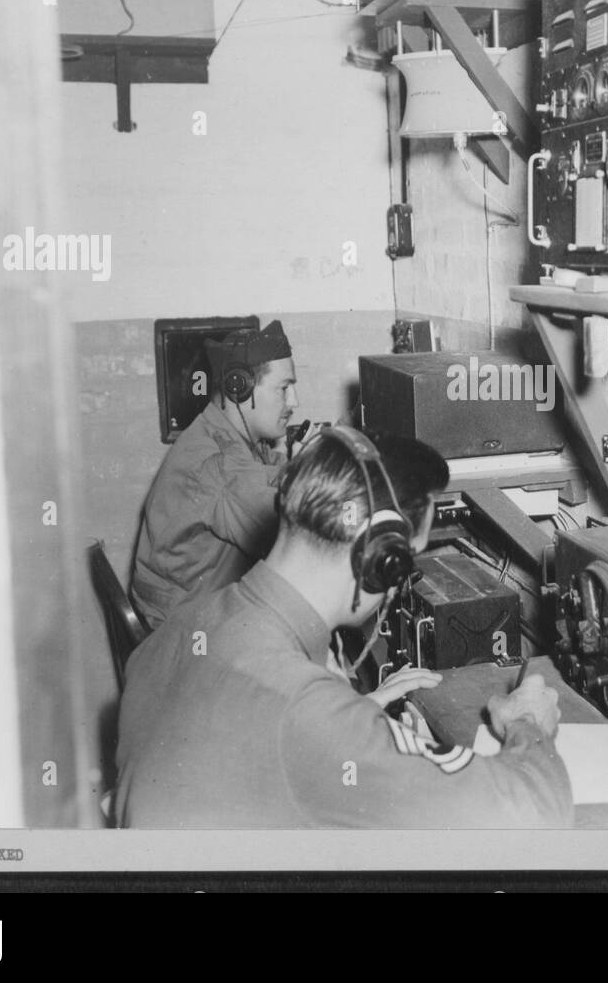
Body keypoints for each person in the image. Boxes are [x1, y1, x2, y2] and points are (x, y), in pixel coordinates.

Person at [114, 429, 573, 829]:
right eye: (405, 561)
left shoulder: (183, 625)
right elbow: (532, 816)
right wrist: (527, 722)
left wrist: (361, 717)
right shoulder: (305, 713)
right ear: (378, 558)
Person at [130, 320, 299, 629]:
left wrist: (296, 464)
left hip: (191, 608)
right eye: (284, 389)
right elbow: (291, 535)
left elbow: (258, 474)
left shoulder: (220, 433)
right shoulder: (216, 463)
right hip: (184, 628)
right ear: (239, 387)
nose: (294, 403)